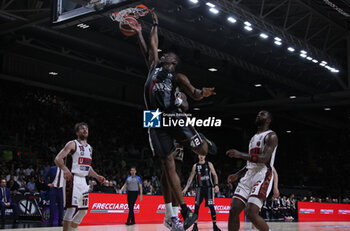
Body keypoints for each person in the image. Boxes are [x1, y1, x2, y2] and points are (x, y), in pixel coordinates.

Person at [129, 9, 216, 230]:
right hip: (153, 118)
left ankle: (203, 140)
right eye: (162, 53)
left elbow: (193, 93)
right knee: (167, 166)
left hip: (171, 115)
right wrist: (148, 27)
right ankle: (184, 211)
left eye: (167, 54)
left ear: (173, 60)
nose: (163, 54)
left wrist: (201, 93)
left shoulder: (177, 76)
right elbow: (149, 47)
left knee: (202, 150)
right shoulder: (153, 68)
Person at [226, 110, 278, 231]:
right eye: (258, 114)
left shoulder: (271, 136)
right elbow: (251, 162)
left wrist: (240, 154)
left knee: (250, 213)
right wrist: (238, 174)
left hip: (263, 174)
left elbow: (264, 158)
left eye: (263, 114)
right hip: (249, 174)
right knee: (233, 210)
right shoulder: (253, 138)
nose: (259, 115)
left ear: (268, 120)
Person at [54, 122, 105, 231]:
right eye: (82, 129)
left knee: (83, 210)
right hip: (73, 179)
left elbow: (87, 167)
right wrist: (65, 169)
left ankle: (72, 229)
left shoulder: (90, 148)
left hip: (83, 181)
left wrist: (97, 176)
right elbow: (58, 158)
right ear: (77, 132)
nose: (85, 130)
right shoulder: (72, 144)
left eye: (86, 128)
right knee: (71, 209)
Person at [182, 154, 221, 231]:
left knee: (211, 206)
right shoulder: (195, 166)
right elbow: (191, 177)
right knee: (196, 207)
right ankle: (195, 226)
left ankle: (215, 225)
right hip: (199, 188)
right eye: (200, 155)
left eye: (203, 155)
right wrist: (186, 188)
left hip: (209, 188)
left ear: (205, 156)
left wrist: (216, 185)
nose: (201, 156)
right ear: (198, 156)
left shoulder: (209, 164)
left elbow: (215, 175)